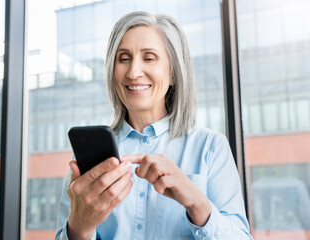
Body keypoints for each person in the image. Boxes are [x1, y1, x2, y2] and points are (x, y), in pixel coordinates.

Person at [55, 11, 253, 240]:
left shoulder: (210, 147)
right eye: (124, 58)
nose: (133, 72)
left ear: (174, 74)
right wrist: (79, 227)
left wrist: (196, 203)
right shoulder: (91, 156)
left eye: (149, 58)